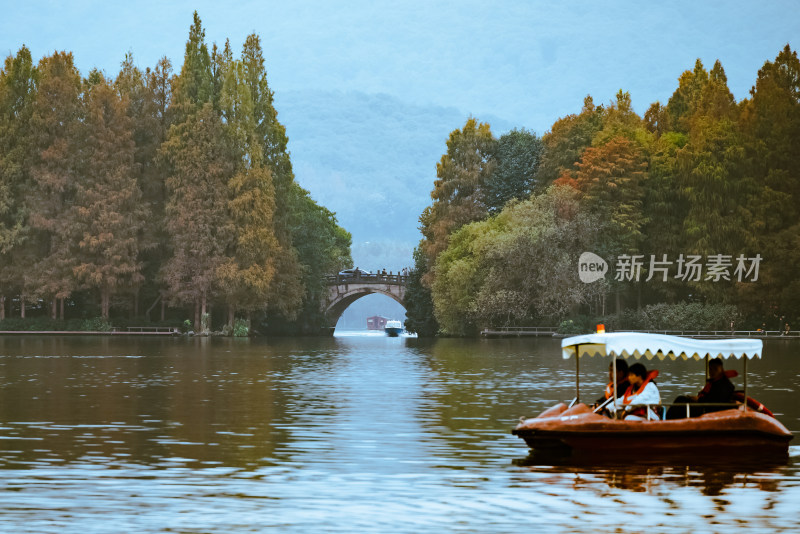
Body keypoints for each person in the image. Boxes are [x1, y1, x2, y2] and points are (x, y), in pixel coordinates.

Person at [665, 357, 736, 419]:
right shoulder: (715, 383)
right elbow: (709, 397)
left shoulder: (724, 385)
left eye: (715, 369)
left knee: (681, 401)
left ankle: (670, 421)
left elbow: (714, 401)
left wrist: (698, 400)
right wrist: (697, 399)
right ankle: (669, 420)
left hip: (709, 410)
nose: (712, 372)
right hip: (704, 405)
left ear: (721, 370)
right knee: (681, 398)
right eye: (710, 369)